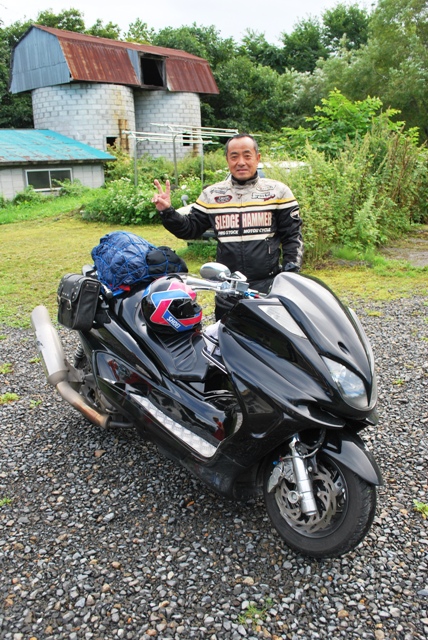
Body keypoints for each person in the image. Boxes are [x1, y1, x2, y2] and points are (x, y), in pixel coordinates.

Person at [153, 133, 303, 319]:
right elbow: (189, 229)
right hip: (227, 288)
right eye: (234, 156)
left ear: (257, 158)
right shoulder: (212, 194)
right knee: (226, 335)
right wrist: (167, 212)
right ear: (227, 160)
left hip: (267, 287)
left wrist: (289, 276)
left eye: (247, 156)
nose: (241, 162)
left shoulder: (278, 192)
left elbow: (292, 237)